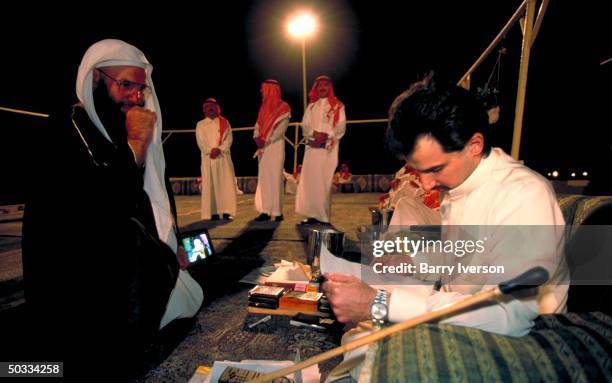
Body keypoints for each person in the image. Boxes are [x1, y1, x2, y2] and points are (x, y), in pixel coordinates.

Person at [322, 72, 568, 337]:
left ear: (474, 145)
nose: (426, 185)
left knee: (368, 336)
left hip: (520, 340)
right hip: (470, 319)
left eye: (436, 168)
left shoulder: (523, 197)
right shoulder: (460, 182)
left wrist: (379, 304)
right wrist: (409, 261)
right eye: (418, 171)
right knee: (360, 330)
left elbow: (508, 316)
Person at [21, 39, 203, 376]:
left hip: (101, 251)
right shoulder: (71, 122)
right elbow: (104, 198)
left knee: (163, 262)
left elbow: (152, 189)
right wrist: (135, 146)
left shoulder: (117, 127)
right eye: (124, 84)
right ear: (94, 79)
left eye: (139, 88)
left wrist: (174, 239)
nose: (135, 96)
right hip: (66, 264)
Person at [295, 75, 347, 225]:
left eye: (325, 85)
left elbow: (341, 126)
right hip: (312, 148)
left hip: (328, 149)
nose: (322, 88)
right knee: (311, 182)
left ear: (329, 87)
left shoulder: (338, 106)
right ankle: (312, 215)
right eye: (320, 85)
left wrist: (326, 136)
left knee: (323, 182)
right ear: (316, 88)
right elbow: (305, 125)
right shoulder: (311, 106)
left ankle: (323, 217)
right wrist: (313, 135)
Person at [253, 79, 291, 222]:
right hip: (263, 149)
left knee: (275, 178)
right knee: (264, 179)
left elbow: (282, 128)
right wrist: (256, 137)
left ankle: (277, 212)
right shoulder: (263, 108)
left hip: (275, 147)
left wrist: (265, 140)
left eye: (263, 89)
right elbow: (257, 126)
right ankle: (265, 211)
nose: (262, 91)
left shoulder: (283, 107)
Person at [196, 98, 237, 220]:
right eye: (208, 106)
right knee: (211, 186)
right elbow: (201, 142)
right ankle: (212, 213)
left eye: (213, 106)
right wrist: (210, 150)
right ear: (204, 110)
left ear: (217, 107)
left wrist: (219, 149)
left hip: (223, 158)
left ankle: (226, 212)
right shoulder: (200, 124)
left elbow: (229, 139)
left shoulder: (225, 123)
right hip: (208, 159)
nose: (210, 108)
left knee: (225, 185)